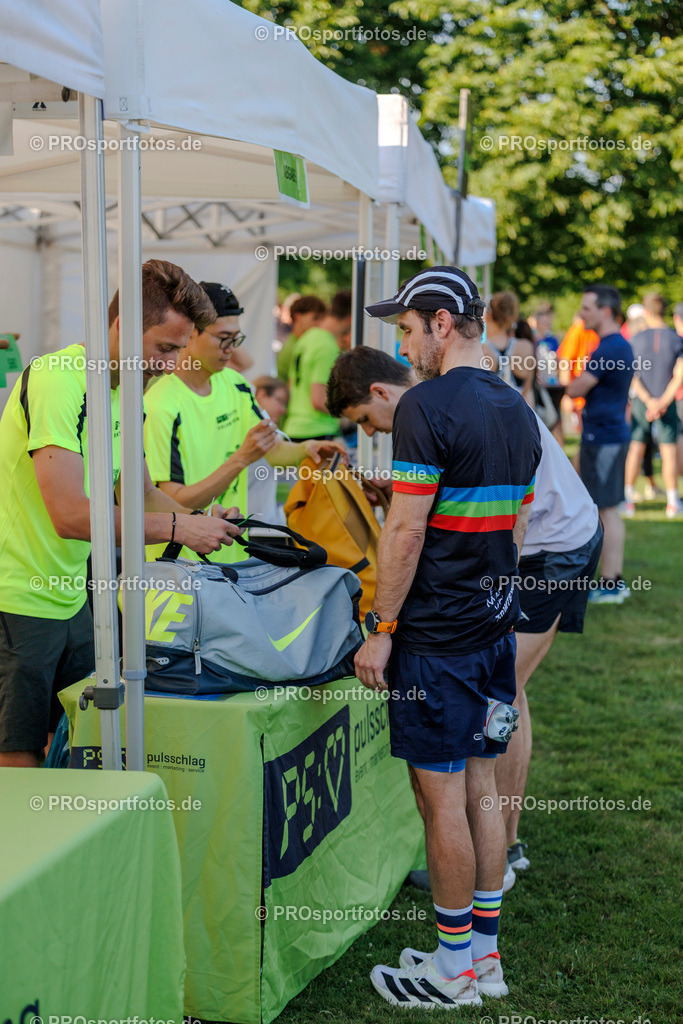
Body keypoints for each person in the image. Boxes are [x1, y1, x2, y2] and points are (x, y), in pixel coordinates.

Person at [328, 346, 602, 890]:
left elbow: (418, 531)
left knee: (499, 702)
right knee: (504, 699)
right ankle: (496, 853)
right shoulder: (464, 395)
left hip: (550, 548)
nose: (373, 432)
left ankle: (494, 859)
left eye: (366, 421)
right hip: (542, 541)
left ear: (380, 393)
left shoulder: (433, 406)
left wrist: (383, 627)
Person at [352, 266, 542, 1009]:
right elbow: (516, 525)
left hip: (436, 635)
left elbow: (404, 532)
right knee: (482, 790)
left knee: (442, 803)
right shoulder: (515, 405)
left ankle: (454, 969)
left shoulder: (425, 405)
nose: (404, 348)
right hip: (493, 626)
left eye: (406, 330)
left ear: (440, 323)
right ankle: (482, 960)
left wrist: (381, 629)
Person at [0, 260, 243, 768]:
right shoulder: (60, 378)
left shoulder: (124, 392)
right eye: (164, 348)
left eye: (179, 351)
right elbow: (70, 515)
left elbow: (140, 494)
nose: (171, 365)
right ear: (121, 327)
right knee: (18, 761)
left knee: (72, 745)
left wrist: (205, 522)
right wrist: (180, 527)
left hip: (72, 596)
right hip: (17, 597)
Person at [143, 282, 344, 562]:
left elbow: (272, 450)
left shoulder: (236, 384)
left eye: (236, 339)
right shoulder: (160, 405)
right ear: (190, 333)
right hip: (179, 568)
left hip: (232, 557)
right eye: (223, 338)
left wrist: (306, 449)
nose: (230, 350)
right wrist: (240, 459)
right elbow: (169, 502)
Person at [567, 285, 634, 603]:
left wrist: (564, 385)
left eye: (587, 308)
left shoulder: (609, 348)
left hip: (604, 438)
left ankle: (612, 583)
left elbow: (576, 388)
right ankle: (610, 580)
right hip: (606, 435)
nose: (581, 314)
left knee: (606, 510)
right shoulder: (615, 345)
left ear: (605, 311)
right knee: (605, 508)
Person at [623, 293, 683, 519]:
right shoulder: (676, 339)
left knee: (636, 447)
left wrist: (649, 401)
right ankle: (672, 501)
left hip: (643, 401)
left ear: (646, 312)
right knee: (668, 450)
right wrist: (662, 401)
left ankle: (628, 499)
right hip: (667, 401)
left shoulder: (636, 339)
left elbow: (632, 375)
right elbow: (679, 374)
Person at [283, 293, 351, 441]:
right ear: (351, 318)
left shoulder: (305, 338)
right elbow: (319, 400)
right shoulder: (326, 345)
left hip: (294, 428)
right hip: (318, 431)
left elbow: (291, 386)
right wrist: (351, 414)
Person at [247, 376, 290, 539]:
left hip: (262, 523)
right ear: (261, 395)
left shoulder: (272, 434)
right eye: (279, 400)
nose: (283, 410)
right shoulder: (258, 431)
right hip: (250, 525)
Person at [482, 291, 535, 404]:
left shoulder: (482, 351)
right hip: (522, 410)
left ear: (489, 316)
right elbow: (528, 390)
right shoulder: (526, 347)